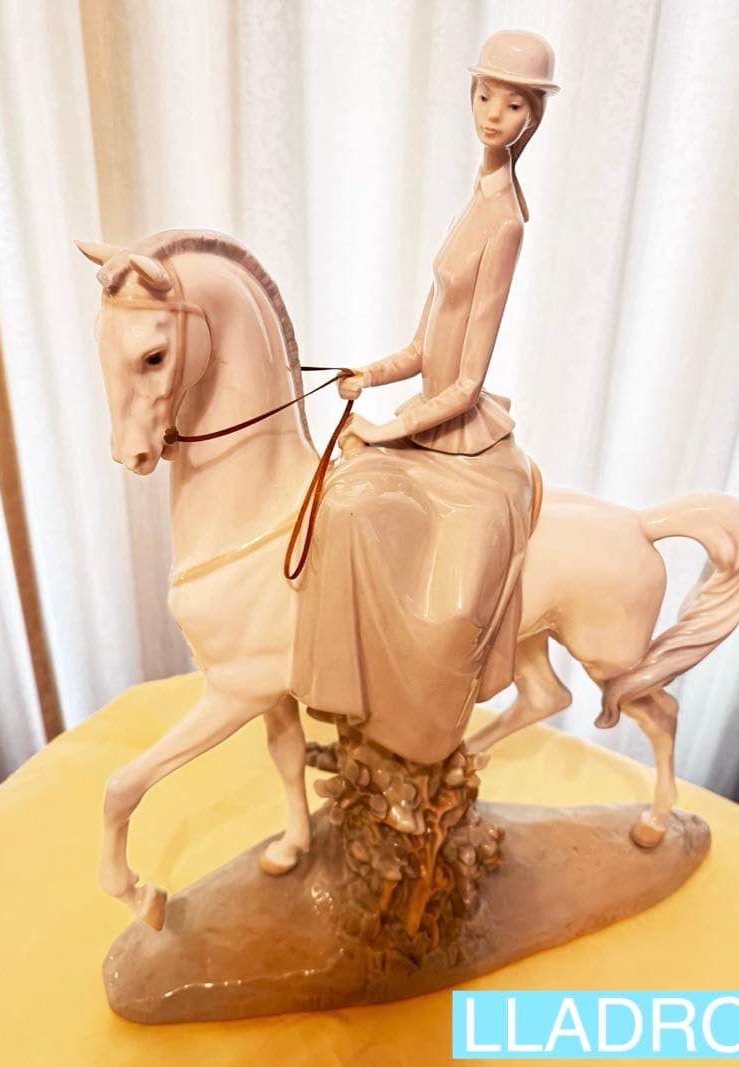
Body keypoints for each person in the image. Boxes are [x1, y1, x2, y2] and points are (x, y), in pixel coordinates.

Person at [291, 31, 560, 765]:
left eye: (513, 104)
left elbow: (465, 383)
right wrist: (368, 375)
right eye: (485, 95)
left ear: (533, 117)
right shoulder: (474, 201)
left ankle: (419, 734)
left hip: (461, 441)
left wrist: (389, 430)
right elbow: (420, 347)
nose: (493, 114)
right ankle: (349, 699)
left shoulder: (506, 223)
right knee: (342, 508)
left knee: (449, 611)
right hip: (422, 421)